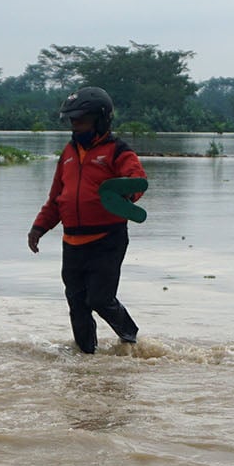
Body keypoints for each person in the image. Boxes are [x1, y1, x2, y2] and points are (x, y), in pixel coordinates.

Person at [26, 86, 145, 354]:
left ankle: (131, 337)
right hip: (72, 243)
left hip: (107, 239)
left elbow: (137, 180)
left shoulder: (118, 151)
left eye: (81, 118)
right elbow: (58, 197)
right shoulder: (67, 154)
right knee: (76, 303)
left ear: (100, 118)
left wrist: (129, 192)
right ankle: (86, 356)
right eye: (72, 119)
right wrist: (39, 227)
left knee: (100, 299)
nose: (75, 124)